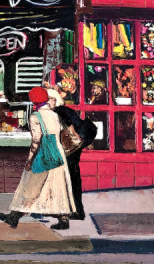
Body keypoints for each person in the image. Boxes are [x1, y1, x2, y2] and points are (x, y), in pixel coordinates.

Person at [0, 87, 75, 230]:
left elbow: (36, 141)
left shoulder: (35, 116)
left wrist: (30, 160)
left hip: (43, 155)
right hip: (57, 154)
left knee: (29, 186)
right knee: (57, 187)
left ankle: (14, 217)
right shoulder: (54, 115)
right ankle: (63, 219)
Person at [48, 88, 97, 222]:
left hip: (69, 150)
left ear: (55, 99)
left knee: (68, 180)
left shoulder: (60, 112)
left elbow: (70, 130)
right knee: (73, 179)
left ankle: (72, 211)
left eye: (49, 99)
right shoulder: (66, 111)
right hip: (73, 149)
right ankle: (76, 210)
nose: (46, 103)